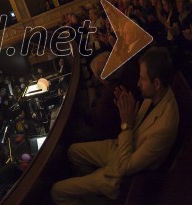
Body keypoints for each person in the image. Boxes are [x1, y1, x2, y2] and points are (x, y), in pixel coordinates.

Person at [51, 48, 179, 204]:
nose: (138, 84)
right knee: (72, 151)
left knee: (57, 191)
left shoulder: (164, 127)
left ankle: (101, 184)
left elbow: (125, 167)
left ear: (157, 83)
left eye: (142, 79)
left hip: (120, 172)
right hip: (118, 148)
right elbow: (134, 126)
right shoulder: (157, 94)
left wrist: (126, 123)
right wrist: (129, 113)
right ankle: (94, 192)